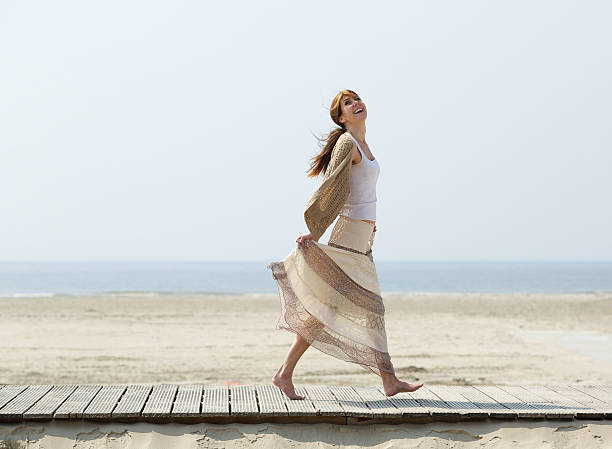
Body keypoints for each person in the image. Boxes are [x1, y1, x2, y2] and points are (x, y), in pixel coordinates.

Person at [267, 89, 424, 399]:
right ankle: (389, 380)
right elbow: (334, 187)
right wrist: (316, 231)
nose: (356, 104)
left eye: (357, 99)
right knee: (369, 309)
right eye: (348, 103)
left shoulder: (363, 145)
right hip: (348, 237)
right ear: (341, 117)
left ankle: (284, 374)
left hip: (362, 240)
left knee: (330, 310)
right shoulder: (347, 143)